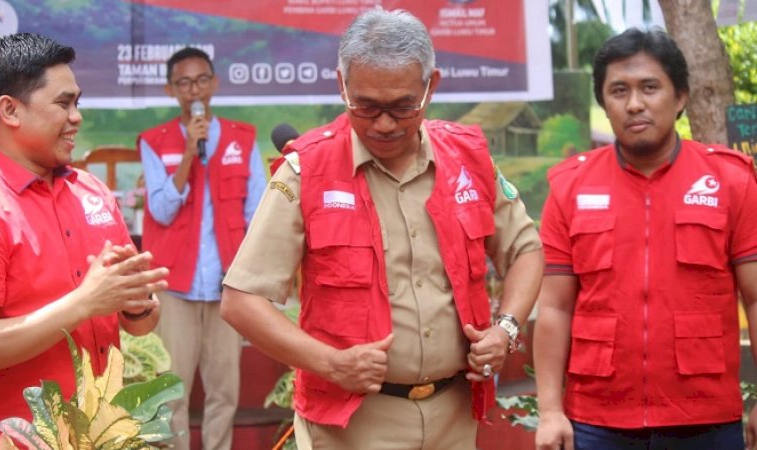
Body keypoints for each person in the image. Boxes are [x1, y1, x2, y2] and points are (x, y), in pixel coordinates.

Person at [221, 8, 543, 449]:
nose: (385, 124)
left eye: (402, 106)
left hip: (454, 416)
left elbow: (525, 249)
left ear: (431, 86)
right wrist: (332, 363)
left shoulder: (468, 159)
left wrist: (505, 329)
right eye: (366, 106)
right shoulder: (307, 170)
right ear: (341, 85)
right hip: (353, 425)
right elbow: (241, 301)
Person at [534, 28, 757, 450]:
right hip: (598, 421)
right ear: (604, 102)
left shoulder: (730, 181)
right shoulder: (570, 187)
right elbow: (555, 307)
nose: (635, 103)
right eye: (619, 90)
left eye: (650, 87)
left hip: (705, 418)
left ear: (680, 98)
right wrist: (549, 411)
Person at [0, 33, 169, 449]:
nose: (76, 117)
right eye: (63, 103)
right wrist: (86, 302)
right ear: (10, 110)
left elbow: (140, 325)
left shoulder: (92, 192)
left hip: (102, 435)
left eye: (78, 103)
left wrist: (137, 303)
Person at [138, 47, 266, 450]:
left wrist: (250, 280)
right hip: (174, 285)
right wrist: (189, 156)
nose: (194, 88)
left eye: (201, 79)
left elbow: (258, 212)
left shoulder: (242, 139)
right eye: (184, 82)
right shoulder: (154, 142)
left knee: (224, 391)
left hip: (227, 286)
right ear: (170, 89)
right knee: (171, 392)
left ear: (214, 83)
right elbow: (160, 209)